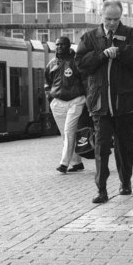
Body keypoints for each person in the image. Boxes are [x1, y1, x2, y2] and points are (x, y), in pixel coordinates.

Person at [75, 0, 133, 204]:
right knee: (101, 147)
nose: (112, 23)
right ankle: (102, 190)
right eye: (108, 19)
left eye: (116, 19)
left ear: (121, 17)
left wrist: (120, 50)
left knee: (125, 146)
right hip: (100, 104)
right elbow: (81, 64)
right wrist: (102, 55)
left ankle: (125, 182)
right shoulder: (90, 37)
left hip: (125, 104)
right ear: (101, 16)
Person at [44, 36, 86, 174]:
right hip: (58, 103)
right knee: (65, 134)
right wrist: (50, 97)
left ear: (68, 46)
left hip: (75, 101)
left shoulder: (76, 63)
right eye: (57, 45)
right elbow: (47, 83)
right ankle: (77, 163)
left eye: (62, 44)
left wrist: (85, 98)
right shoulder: (51, 64)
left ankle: (63, 164)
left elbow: (85, 81)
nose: (59, 47)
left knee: (69, 131)